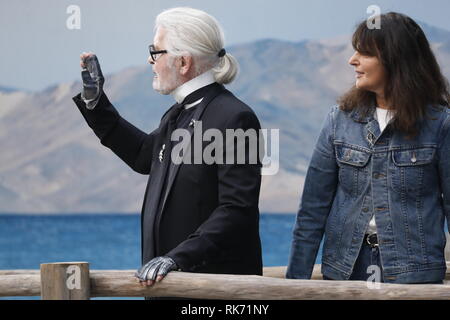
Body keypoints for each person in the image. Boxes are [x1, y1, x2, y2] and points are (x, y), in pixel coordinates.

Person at [72, 7, 263, 291]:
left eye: (156, 51)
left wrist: (176, 259)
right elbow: (143, 156)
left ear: (183, 62)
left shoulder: (234, 117)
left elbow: (237, 210)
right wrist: (96, 104)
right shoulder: (176, 114)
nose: (150, 59)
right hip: (170, 288)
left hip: (213, 293)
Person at [287, 12, 450, 284]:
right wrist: (295, 284)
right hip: (345, 270)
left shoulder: (441, 125)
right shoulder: (339, 119)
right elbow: (311, 212)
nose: (353, 60)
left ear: (396, 60)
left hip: (414, 274)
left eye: (364, 53)